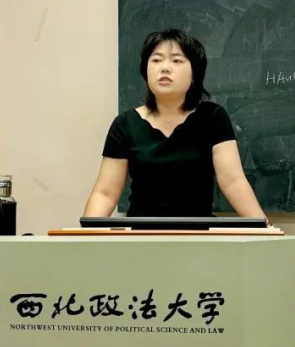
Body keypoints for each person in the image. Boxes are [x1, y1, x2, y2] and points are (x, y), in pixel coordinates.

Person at [83, 29, 270, 223]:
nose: (165, 68)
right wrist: (85, 235)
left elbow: (232, 181)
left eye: (177, 60)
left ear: (194, 74)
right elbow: (106, 193)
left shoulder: (212, 118)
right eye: (156, 60)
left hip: (198, 233)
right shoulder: (125, 124)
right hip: (141, 234)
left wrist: (265, 227)